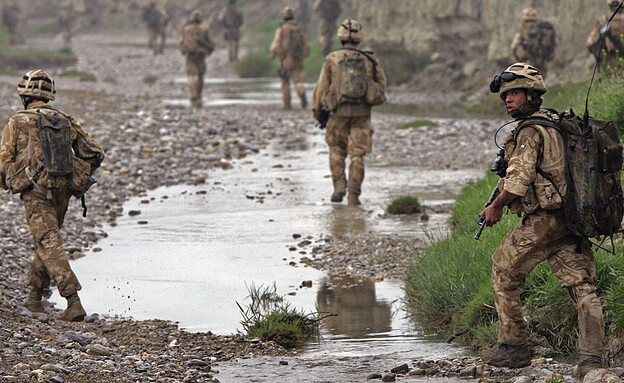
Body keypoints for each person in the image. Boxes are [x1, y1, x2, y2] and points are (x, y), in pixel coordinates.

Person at [481, 63, 604, 378]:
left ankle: (512, 347)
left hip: (545, 220)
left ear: (531, 95)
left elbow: (518, 182)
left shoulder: (530, 131)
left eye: (515, 94)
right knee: (582, 288)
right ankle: (591, 361)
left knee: (503, 270)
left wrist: (495, 206)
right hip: (572, 218)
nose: (508, 100)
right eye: (506, 96)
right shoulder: (556, 123)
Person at [0, 70, 105, 321]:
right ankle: (35, 297)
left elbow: (3, 162)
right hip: (62, 190)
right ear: (48, 96)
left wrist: (11, 182)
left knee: (48, 241)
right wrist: (77, 176)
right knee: (48, 240)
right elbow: (95, 153)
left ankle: (73, 300)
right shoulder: (65, 119)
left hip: (35, 192)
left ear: (25, 96)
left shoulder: (17, 121)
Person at [312, 19, 387, 206]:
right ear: (359, 38)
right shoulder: (370, 59)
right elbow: (382, 85)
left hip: (338, 112)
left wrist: (317, 110)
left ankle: (338, 185)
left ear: (340, 37)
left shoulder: (332, 58)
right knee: (357, 154)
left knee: (336, 149)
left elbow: (321, 88)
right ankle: (354, 195)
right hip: (362, 112)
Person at [270, 6, 310, 110]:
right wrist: (304, 54)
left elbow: (276, 42)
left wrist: (273, 54)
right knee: (298, 80)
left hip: (286, 58)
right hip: (299, 58)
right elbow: (305, 44)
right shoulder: (299, 27)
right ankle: (301, 92)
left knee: (285, 81)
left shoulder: (282, 28)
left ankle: (287, 104)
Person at [179, 10, 215, 108]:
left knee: (191, 75)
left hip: (190, 54)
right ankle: (198, 94)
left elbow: (181, 42)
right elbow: (212, 42)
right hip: (201, 55)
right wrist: (208, 52)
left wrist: (184, 51)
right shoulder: (205, 29)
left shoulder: (186, 29)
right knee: (200, 75)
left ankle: (193, 94)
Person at [510, 7, 556, 78]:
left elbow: (514, 48)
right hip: (542, 64)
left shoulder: (523, 29)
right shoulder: (543, 29)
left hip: (528, 64)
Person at [587, 0, 624, 77]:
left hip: (610, 63)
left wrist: (601, 54)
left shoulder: (604, 20)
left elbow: (589, 44)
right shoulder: (604, 21)